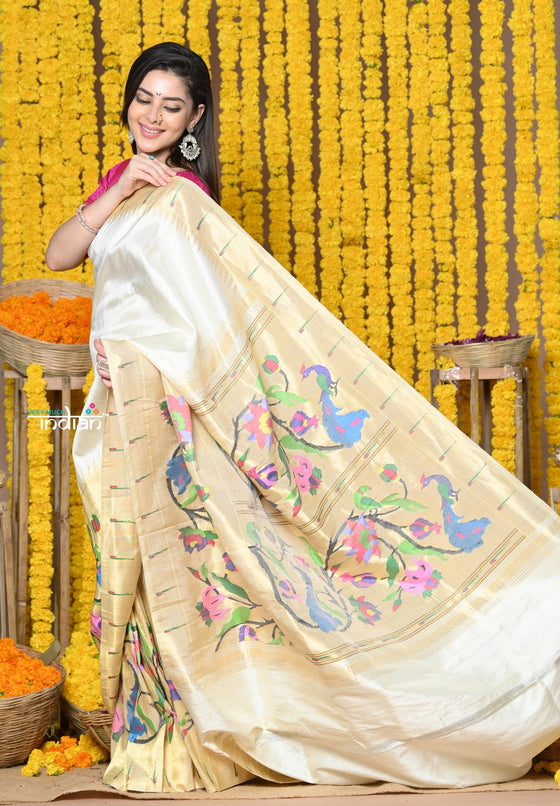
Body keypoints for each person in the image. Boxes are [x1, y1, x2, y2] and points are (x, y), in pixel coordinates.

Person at [47, 42, 560, 795]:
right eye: (144, 98)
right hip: (121, 405)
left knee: (200, 566)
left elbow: (209, 321)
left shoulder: (184, 200)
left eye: (171, 105)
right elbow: (62, 254)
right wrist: (119, 184)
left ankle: (225, 735)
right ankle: (174, 740)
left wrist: (159, 380)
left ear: (194, 119)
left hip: (169, 408)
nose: (152, 115)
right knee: (156, 566)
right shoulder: (131, 187)